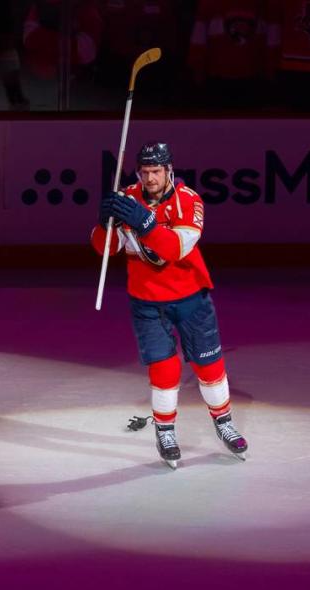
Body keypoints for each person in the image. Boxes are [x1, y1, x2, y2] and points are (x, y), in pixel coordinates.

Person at [91, 141, 248, 469]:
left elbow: (175, 248)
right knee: (164, 370)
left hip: (191, 299)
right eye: (145, 172)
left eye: (157, 172)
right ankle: (165, 432)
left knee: (210, 367)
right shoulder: (128, 199)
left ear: (169, 171)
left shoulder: (189, 201)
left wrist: (144, 222)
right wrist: (104, 223)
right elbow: (107, 250)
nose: (150, 178)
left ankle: (224, 423)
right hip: (147, 302)